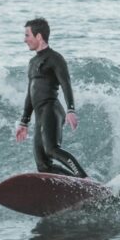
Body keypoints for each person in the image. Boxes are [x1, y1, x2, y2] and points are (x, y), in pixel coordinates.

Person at [14, 17, 88, 178]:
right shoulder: (33, 62)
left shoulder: (55, 58)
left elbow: (66, 84)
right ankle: (74, 183)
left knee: (52, 149)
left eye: (27, 35)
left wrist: (71, 109)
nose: (24, 40)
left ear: (38, 36)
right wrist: (24, 121)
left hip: (52, 109)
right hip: (40, 114)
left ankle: (84, 179)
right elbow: (30, 93)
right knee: (43, 165)